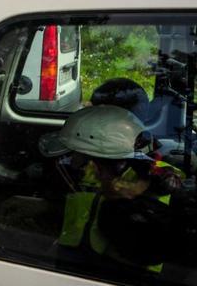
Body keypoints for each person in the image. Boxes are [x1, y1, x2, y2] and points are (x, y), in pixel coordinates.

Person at [39, 105, 182, 273]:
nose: (72, 158)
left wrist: (143, 185)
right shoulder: (85, 170)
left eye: (77, 153)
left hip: (131, 261)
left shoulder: (146, 170)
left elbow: (171, 180)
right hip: (76, 248)